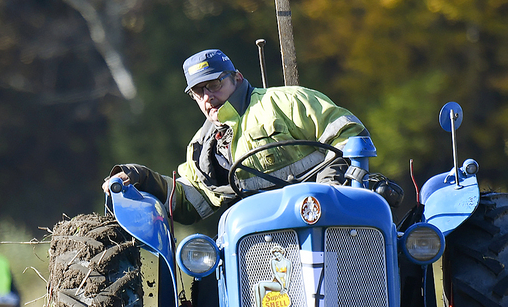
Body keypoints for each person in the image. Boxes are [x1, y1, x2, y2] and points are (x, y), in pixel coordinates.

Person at [101, 48, 372, 224]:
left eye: (215, 83)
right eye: (199, 91)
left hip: (328, 221)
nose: (208, 96)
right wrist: (143, 178)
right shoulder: (202, 149)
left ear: (237, 78)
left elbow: (348, 134)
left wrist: (329, 194)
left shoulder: (287, 102)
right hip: (262, 240)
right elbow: (189, 203)